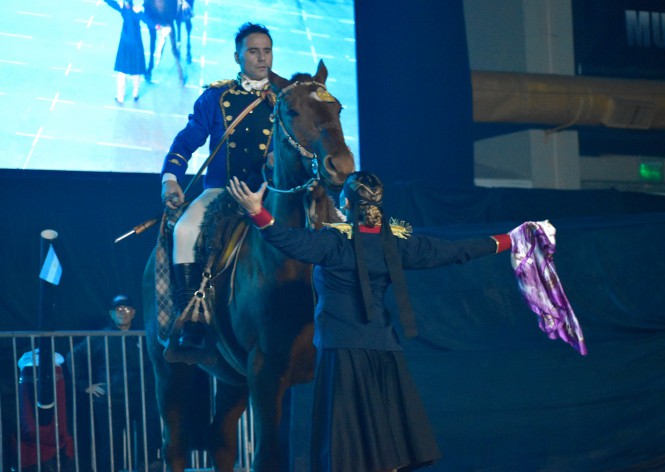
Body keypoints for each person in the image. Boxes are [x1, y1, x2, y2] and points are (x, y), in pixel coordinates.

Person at [227, 171, 514, 472]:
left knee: (346, 449)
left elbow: (284, 239)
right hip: (385, 352)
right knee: (384, 445)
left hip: (343, 352)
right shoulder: (397, 243)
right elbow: (456, 251)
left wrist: (256, 210)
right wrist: (511, 239)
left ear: (347, 205)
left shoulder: (333, 243)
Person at [160, 22, 275, 354]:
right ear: (238, 56)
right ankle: (192, 320)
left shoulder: (283, 99)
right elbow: (185, 143)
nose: (261, 58)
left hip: (271, 192)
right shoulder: (216, 96)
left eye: (266, 51)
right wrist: (171, 180)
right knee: (183, 231)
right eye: (253, 51)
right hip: (222, 191)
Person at [68, 295, 162, 472]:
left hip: (140, 396)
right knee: (111, 445)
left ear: (133, 313)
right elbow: (73, 357)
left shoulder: (142, 336)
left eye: (127, 309)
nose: (123, 313)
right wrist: (85, 385)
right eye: (119, 309)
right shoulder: (100, 337)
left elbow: (156, 363)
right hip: (111, 399)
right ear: (112, 313)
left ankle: (145, 467)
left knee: (148, 438)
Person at [104, 0, 146, 103]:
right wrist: (159, 26)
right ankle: (135, 94)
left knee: (122, 73)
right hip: (136, 45)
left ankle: (120, 97)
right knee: (136, 71)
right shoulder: (137, 12)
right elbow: (147, 19)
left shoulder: (123, 10)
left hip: (125, 44)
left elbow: (112, 3)